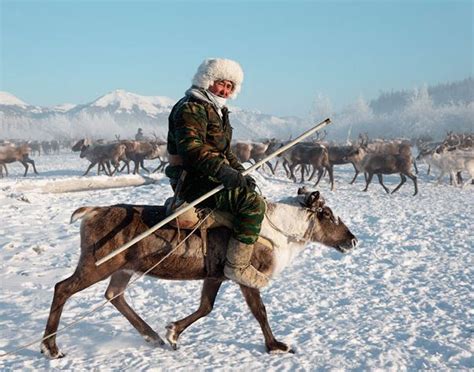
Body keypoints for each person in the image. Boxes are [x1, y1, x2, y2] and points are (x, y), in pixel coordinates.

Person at [165, 58, 268, 289]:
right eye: (221, 83)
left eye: (230, 87)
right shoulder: (191, 107)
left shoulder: (217, 110)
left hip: (212, 176)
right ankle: (237, 266)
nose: (225, 90)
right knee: (252, 204)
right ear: (207, 80)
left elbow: (225, 151)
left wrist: (240, 173)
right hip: (193, 179)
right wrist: (224, 173)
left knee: (250, 191)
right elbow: (192, 150)